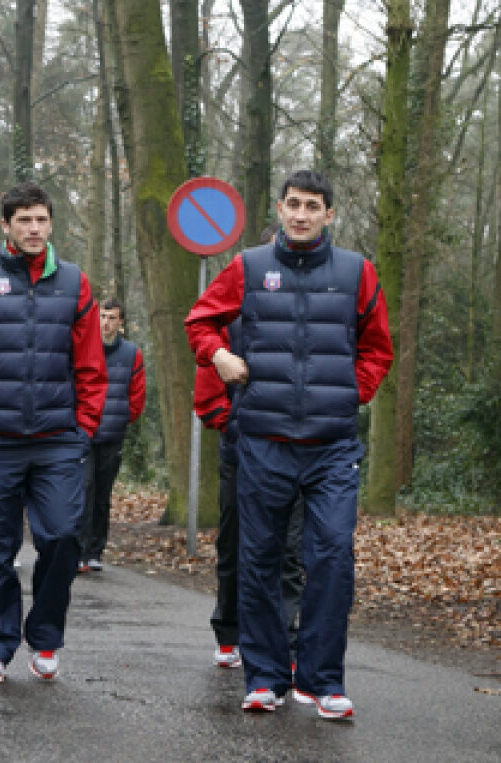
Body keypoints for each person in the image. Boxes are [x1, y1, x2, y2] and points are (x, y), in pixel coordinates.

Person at [184, 169, 392, 720]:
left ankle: (322, 681)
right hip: (263, 440)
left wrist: (354, 393)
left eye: (313, 206)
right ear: (278, 209)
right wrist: (218, 357)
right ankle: (266, 678)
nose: (302, 214)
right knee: (259, 559)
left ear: (330, 215)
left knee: (332, 557)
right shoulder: (248, 268)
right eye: (293, 204)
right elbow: (201, 322)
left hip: (331, 446)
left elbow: (378, 348)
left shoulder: (357, 272)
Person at [0, 181, 107, 684]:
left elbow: (92, 366)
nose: (34, 228)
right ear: (6, 225)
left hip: (57, 441)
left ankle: (46, 635)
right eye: (24, 220)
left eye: (41, 220)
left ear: (51, 224)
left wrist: (84, 428)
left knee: (60, 536)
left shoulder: (75, 283)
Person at [193, 224, 307, 671]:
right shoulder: (233, 314)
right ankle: (230, 629)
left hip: (298, 448)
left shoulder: (310, 315)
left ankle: (286, 639)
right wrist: (229, 422)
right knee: (237, 543)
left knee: (290, 549)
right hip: (242, 447)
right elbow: (209, 377)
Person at [77, 297, 145, 572]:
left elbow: (138, 395)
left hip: (113, 434)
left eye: (112, 318)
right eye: (102, 317)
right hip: (84, 434)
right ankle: (79, 552)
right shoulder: (84, 348)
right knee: (84, 489)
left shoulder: (131, 354)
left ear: (121, 322)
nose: (105, 323)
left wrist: (123, 418)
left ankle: (95, 550)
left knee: (102, 494)